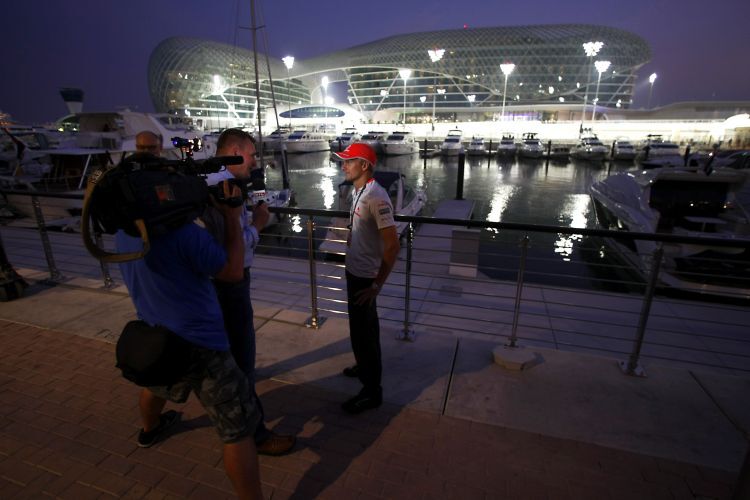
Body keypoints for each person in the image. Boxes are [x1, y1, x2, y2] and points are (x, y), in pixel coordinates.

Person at [116, 179, 263, 499]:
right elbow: (233, 271)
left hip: (157, 337)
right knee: (237, 431)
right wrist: (230, 217)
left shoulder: (123, 234)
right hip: (202, 344)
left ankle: (150, 430)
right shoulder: (185, 236)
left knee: (156, 386)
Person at [203, 128, 296, 455]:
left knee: (228, 361)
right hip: (230, 286)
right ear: (233, 151)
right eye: (252, 154)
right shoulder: (221, 190)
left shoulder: (216, 182)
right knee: (243, 361)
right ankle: (254, 434)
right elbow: (234, 246)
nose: (256, 160)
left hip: (219, 286)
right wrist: (258, 223)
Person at [333, 143, 400, 414]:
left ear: (364, 165)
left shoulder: (376, 196)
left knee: (365, 334)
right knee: (360, 329)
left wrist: (376, 285)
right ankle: (363, 365)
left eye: (348, 162)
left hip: (365, 279)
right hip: (354, 272)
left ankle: (372, 391)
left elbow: (393, 246)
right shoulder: (358, 190)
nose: (343, 166)